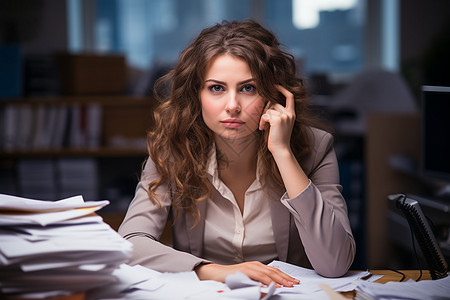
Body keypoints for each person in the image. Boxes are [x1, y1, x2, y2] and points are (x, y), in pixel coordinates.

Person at [118, 20, 356, 287]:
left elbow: (335, 263)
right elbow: (130, 244)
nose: (232, 106)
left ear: (274, 95)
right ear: (196, 95)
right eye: (216, 88)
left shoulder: (316, 147)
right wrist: (212, 271)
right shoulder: (173, 149)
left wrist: (283, 152)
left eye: (248, 88)